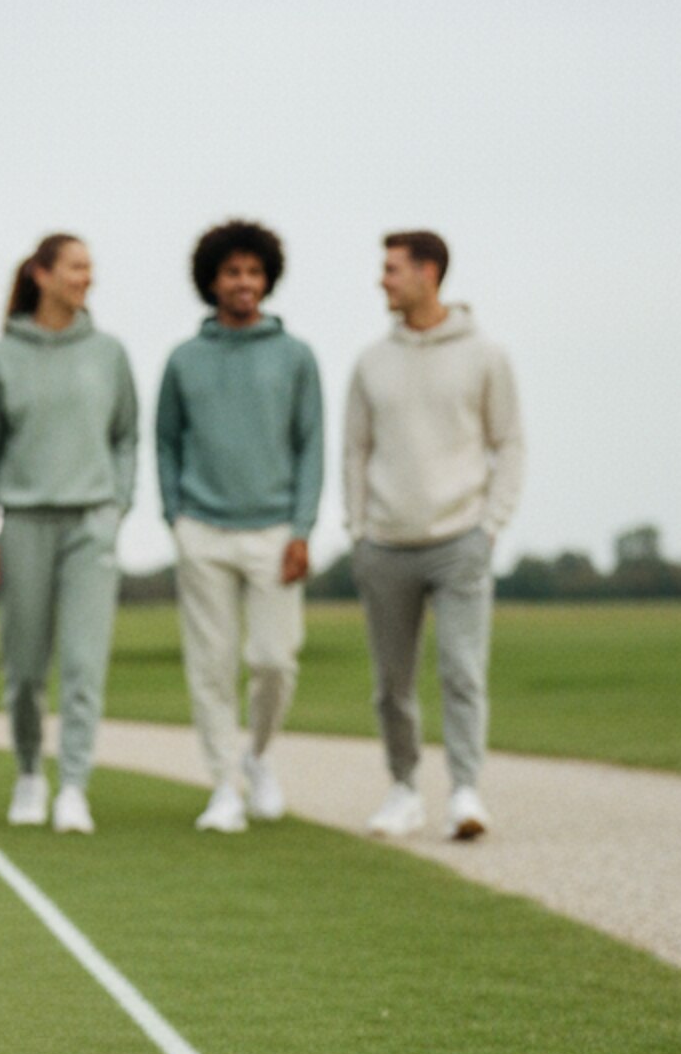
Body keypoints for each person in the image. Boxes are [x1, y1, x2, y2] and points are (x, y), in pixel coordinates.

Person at [345, 231, 524, 841]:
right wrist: (357, 530)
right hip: (385, 543)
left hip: (459, 541)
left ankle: (466, 792)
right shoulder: (372, 361)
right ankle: (403, 790)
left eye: (392, 269)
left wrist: (490, 525)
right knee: (391, 684)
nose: (383, 280)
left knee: (461, 671)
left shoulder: (485, 356)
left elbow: (510, 443)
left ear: (428, 273)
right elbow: (355, 450)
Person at [156, 219, 323, 834]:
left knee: (275, 660)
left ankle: (257, 756)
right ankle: (224, 786)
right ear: (212, 281)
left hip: (274, 530)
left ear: (268, 279)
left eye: (254, 272)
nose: (244, 282)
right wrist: (175, 515)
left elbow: (311, 446)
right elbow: (166, 443)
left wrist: (302, 528)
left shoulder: (295, 356)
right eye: (232, 272)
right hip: (202, 529)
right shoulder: (185, 360)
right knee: (212, 665)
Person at [0, 233, 137, 834]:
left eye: (89, 268)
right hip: (23, 524)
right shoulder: (0, 359)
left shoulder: (109, 354)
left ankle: (73, 787)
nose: (85, 277)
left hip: (90, 524)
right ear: (41, 274)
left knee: (84, 667)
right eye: (75, 267)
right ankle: (28, 774)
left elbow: (126, 436)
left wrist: (118, 505)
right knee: (23, 670)